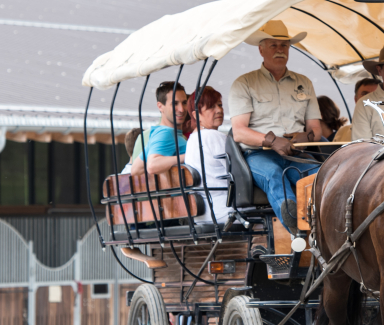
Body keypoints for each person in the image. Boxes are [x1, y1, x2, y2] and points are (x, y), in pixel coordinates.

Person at [228, 20, 321, 228]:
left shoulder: (304, 82)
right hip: (259, 154)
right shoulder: (244, 83)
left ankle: (327, 229)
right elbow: (239, 132)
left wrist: (307, 136)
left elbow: (316, 128)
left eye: (284, 45)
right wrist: (271, 141)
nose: (280, 50)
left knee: (321, 174)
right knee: (273, 174)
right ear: (261, 50)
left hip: (296, 153)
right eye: (274, 45)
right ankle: (296, 230)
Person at [184, 87, 230, 224]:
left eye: (220, 105)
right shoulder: (214, 136)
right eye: (211, 107)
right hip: (225, 210)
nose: (219, 110)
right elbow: (241, 174)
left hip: (201, 214)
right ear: (196, 114)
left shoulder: (192, 139)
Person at [131, 81, 189, 176]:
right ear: (160, 106)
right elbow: (152, 165)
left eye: (184, 103)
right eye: (174, 103)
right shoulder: (166, 133)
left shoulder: (160, 132)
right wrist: (189, 156)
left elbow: (136, 169)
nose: (181, 109)